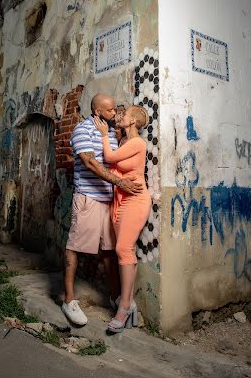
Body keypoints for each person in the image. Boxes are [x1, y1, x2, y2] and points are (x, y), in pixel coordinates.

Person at [62, 94, 143, 326]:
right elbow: (90, 162)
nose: (114, 114)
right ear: (97, 112)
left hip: (110, 200)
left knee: (110, 251)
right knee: (75, 247)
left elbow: (113, 161)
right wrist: (119, 183)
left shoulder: (110, 134)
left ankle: (117, 297)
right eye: (109, 111)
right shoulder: (82, 130)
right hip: (88, 197)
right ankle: (69, 299)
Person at [93, 105, 151, 333]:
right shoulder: (124, 142)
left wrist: (104, 135)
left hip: (136, 200)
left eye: (125, 114)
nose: (121, 116)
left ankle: (124, 306)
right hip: (119, 200)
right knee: (126, 251)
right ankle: (131, 304)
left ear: (133, 122)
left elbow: (109, 157)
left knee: (122, 249)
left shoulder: (138, 143)